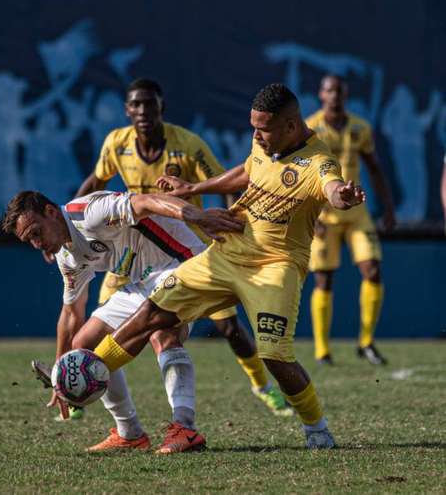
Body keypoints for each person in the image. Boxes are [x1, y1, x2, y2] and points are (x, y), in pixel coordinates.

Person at [89, 83, 367, 449]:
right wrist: (192, 189)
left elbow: (331, 186)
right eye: (253, 126)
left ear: (290, 125)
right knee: (151, 312)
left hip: (274, 267)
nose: (255, 134)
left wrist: (341, 197)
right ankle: (89, 375)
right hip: (225, 254)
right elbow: (249, 170)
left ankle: (317, 429)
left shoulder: (318, 162)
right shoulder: (265, 143)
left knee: (275, 357)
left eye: (263, 128)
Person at [72, 78, 291, 416]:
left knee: (229, 327)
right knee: (98, 328)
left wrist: (238, 224)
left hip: (184, 248)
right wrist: (71, 226)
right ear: (127, 110)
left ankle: (262, 387)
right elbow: (95, 182)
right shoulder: (116, 143)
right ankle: (84, 389)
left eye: (149, 104)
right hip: (132, 253)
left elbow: (227, 185)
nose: (143, 111)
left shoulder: (187, 145)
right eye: (136, 104)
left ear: (162, 108)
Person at [3, 189, 245, 453]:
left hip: (181, 264)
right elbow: (71, 313)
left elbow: (145, 201)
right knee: (84, 343)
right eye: (29, 240)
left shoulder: (87, 214)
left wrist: (198, 217)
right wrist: (62, 369)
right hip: (144, 282)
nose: (37, 244)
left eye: (36, 233)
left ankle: (184, 428)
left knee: (161, 333)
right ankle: (129, 433)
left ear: (50, 212)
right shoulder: (67, 255)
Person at [306, 75, 395, 365]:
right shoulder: (310, 128)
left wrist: (389, 208)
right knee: (324, 279)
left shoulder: (360, 127)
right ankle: (322, 350)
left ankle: (366, 342)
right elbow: (303, 176)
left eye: (339, 91)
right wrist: (310, 213)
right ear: (321, 94)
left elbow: (374, 167)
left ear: (346, 95)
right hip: (324, 215)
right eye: (329, 90)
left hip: (357, 213)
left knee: (373, 270)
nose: (335, 96)